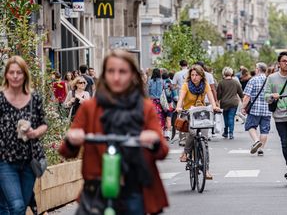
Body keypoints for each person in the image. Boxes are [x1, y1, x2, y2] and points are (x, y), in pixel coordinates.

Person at [58, 49, 169, 214]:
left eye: (122, 71)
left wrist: (153, 141)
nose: (116, 77)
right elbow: (66, 151)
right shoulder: (90, 107)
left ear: (131, 75)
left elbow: (162, 150)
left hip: (133, 184)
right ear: (105, 75)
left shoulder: (145, 107)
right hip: (97, 187)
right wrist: (72, 140)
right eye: (111, 71)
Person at [0, 56, 48, 214]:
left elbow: (44, 124)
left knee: (20, 206)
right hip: (5, 161)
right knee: (17, 205)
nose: (15, 76)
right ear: (6, 75)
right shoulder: (0, 98)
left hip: (29, 161)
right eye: (11, 72)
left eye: (19, 72)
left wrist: (34, 133)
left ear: (25, 75)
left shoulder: (34, 98)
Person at [176, 64, 220, 179]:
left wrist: (214, 107)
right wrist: (178, 107)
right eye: (192, 75)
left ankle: (206, 170)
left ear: (201, 76)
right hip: (188, 113)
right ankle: (185, 153)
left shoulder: (205, 85)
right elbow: (180, 99)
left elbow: (211, 98)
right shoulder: (186, 85)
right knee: (192, 132)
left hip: (201, 114)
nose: (194, 77)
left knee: (204, 140)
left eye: (197, 75)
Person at [241, 62, 272, 156]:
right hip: (267, 110)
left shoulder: (253, 80)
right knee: (264, 130)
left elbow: (247, 96)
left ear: (258, 69)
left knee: (250, 126)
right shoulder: (269, 80)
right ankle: (261, 149)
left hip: (255, 109)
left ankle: (256, 141)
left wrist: (243, 107)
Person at [217, 67, 244, 139]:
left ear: (224, 74)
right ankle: (231, 133)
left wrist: (217, 102)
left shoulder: (221, 83)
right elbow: (241, 94)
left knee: (225, 118)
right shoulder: (236, 82)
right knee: (231, 117)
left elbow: (218, 95)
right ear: (231, 73)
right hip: (234, 103)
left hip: (224, 103)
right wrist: (243, 102)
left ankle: (225, 132)